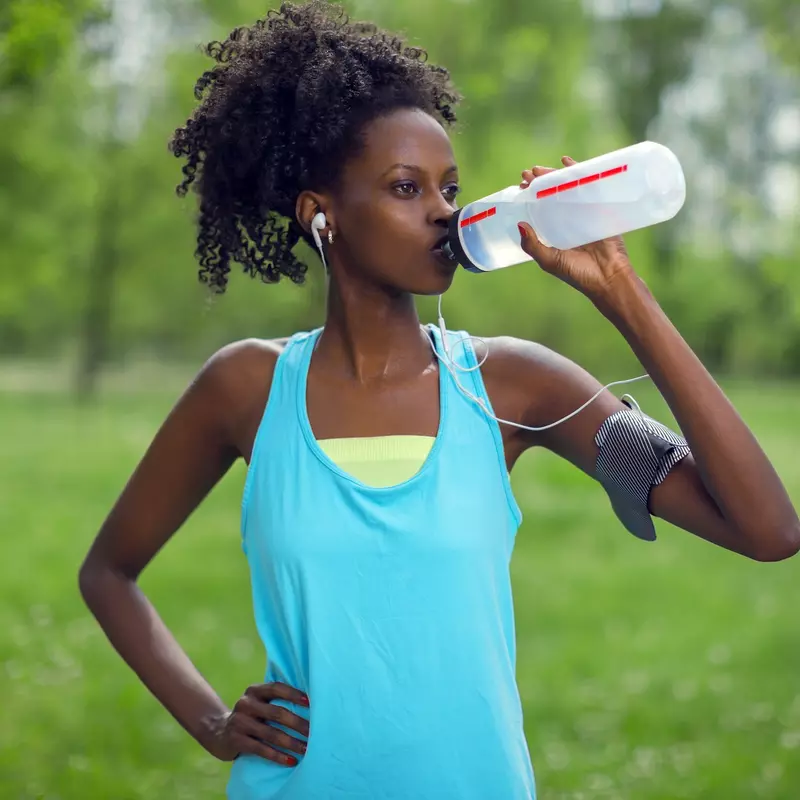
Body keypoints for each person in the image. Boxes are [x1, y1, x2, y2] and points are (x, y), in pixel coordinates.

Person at [78, 3, 800, 799]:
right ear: (322, 216)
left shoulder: (515, 388)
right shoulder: (245, 390)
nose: (443, 213)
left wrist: (624, 297)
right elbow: (109, 571)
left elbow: (766, 530)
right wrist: (212, 721)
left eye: (449, 187)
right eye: (404, 188)